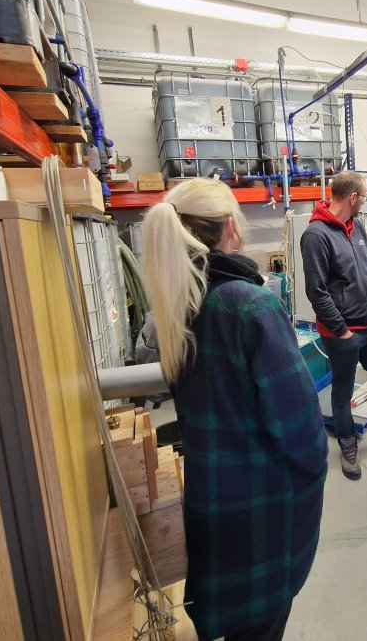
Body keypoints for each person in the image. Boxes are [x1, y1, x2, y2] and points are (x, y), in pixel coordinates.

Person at [141, 178, 327, 641]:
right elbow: (299, 426)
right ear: (230, 228)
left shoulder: (177, 300)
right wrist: (315, 470)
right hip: (261, 506)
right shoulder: (250, 304)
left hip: (211, 499)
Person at [301, 171, 367, 480]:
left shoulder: (357, 226)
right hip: (342, 333)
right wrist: (342, 330)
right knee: (343, 389)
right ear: (352, 198)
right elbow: (317, 290)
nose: (364, 201)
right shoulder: (316, 235)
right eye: (363, 196)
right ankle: (348, 444)